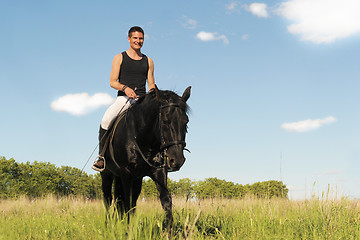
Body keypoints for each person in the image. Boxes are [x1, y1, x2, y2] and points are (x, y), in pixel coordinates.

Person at [92, 26, 155, 171]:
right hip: (123, 99)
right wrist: (125, 88)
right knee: (106, 120)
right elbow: (112, 82)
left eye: (141, 39)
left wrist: (152, 93)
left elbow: (151, 83)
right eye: (135, 38)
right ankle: (102, 156)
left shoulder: (149, 61)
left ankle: (159, 156)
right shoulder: (119, 57)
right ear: (129, 39)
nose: (138, 41)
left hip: (142, 101)